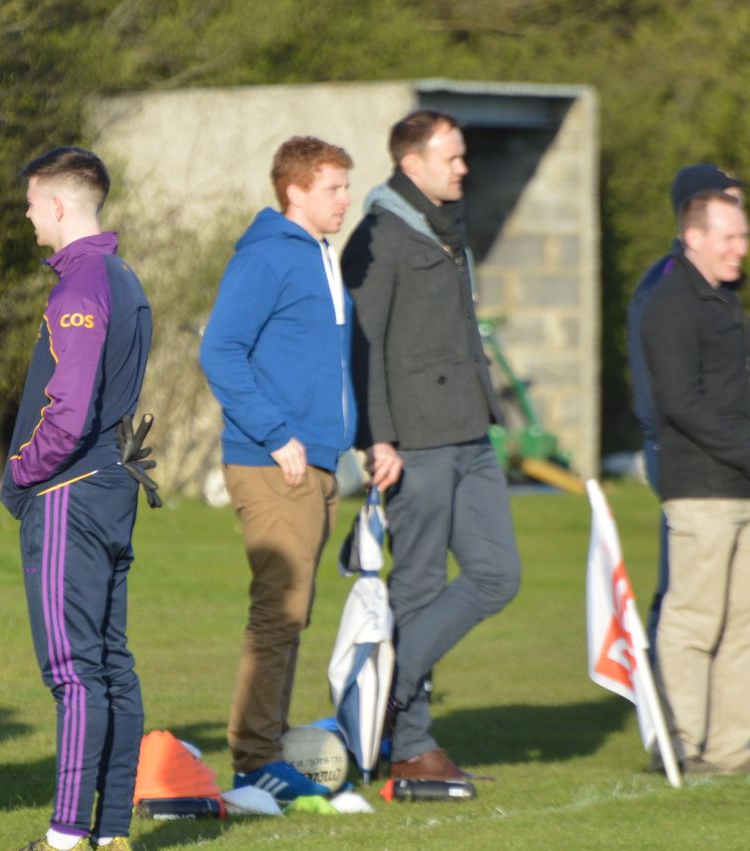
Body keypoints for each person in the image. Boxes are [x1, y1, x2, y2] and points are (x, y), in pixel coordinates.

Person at [341, 109, 520, 781]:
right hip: (414, 438)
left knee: (497, 573)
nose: (464, 167)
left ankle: (381, 688)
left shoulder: (444, 227)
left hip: (470, 428)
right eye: (452, 157)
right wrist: (376, 436)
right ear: (412, 164)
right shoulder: (379, 235)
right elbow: (364, 344)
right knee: (415, 586)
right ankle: (410, 742)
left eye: (463, 155)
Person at [0, 146, 151, 851]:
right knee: (111, 664)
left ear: (58, 205)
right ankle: (112, 832)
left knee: (74, 670)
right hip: (112, 487)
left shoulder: (83, 284)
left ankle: (66, 836)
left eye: (32, 204)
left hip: (73, 492)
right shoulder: (122, 276)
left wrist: (22, 470)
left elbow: (68, 410)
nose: (28, 218)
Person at [198, 136, 356, 802]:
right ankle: (254, 760)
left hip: (319, 461)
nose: (345, 200)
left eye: (347, 187)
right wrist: (276, 434)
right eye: (333, 189)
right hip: (274, 463)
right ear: (294, 191)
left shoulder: (319, 254)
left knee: (293, 612)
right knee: (277, 612)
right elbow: (220, 350)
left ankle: (267, 746)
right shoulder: (268, 257)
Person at [641, 189, 750, 774]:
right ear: (695, 237)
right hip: (702, 489)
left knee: (742, 624)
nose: (741, 249)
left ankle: (732, 752)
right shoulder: (672, 303)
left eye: (744, 237)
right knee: (692, 623)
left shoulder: (724, 300)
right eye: (730, 237)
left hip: (740, 486)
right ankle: (680, 745)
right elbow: (682, 404)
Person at [626, 164, 743, 651]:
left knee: (731, 608)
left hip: (727, 457)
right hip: (689, 455)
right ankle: (666, 712)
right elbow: (671, 394)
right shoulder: (668, 287)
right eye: (729, 205)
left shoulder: (722, 289)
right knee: (686, 596)